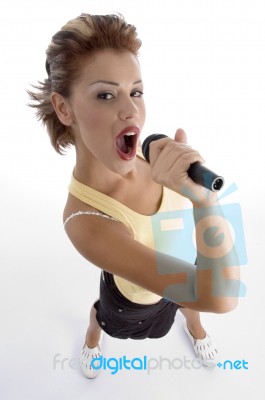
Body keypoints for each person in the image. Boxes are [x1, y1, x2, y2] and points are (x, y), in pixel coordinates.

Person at [28, 13, 239, 378]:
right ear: (64, 108)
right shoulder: (86, 222)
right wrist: (206, 203)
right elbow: (221, 296)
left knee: (189, 299)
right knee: (108, 314)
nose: (131, 111)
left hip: (181, 269)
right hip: (134, 299)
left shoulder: (146, 154)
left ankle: (194, 324)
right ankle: (93, 336)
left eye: (136, 92)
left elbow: (200, 285)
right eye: (106, 94)